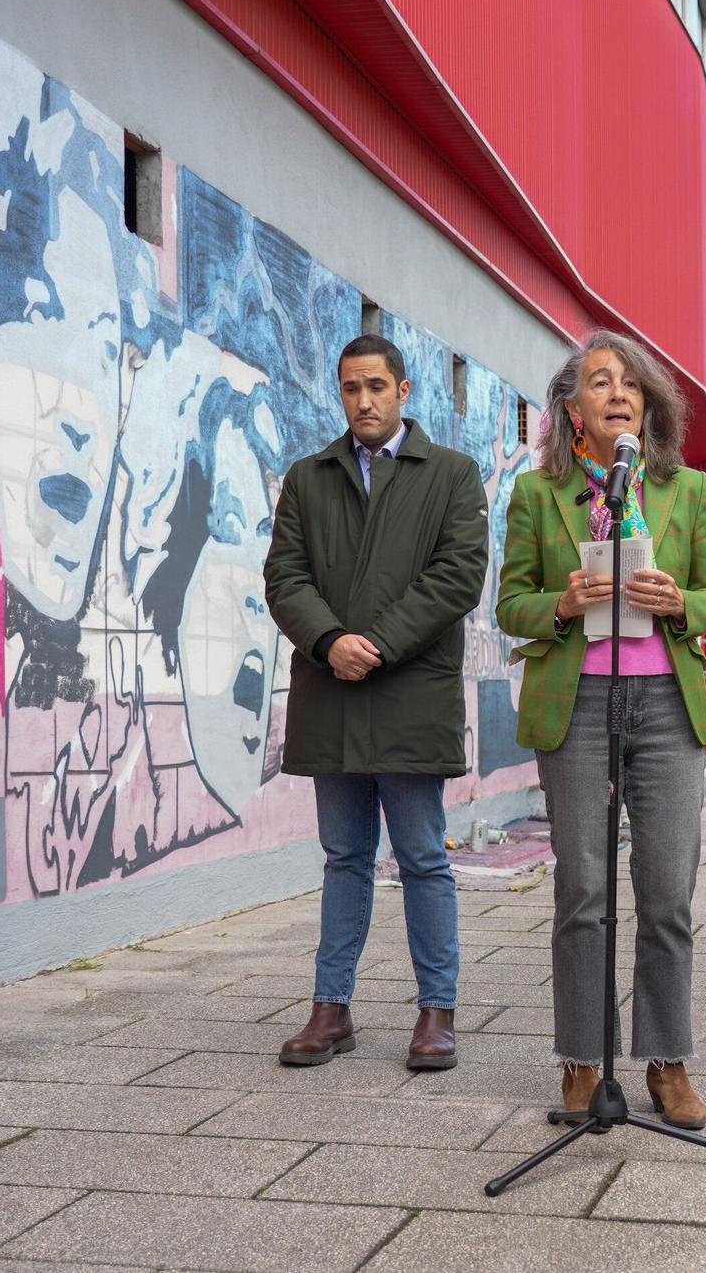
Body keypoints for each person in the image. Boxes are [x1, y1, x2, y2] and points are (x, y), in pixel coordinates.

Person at [497, 329, 706, 1129]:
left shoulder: (685, 488)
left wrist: (681, 602)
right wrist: (561, 604)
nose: (618, 392)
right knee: (583, 889)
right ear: (573, 409)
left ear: (648, 404)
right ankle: (582, 1061)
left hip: (665, 704)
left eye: (630, 382)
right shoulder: (536, 495)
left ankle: (667, 1062)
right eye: (599, 381)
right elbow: (510, 604)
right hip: (577, 706)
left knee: (667, 891)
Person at [264, 333, 489, 1073]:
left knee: (422, 857)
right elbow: (284, 576)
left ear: (403, 390)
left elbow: (458, 575)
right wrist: (330, 640)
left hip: (409, 694)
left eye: (376, 387)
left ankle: (437, 1011)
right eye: (351, 388)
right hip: (331, 692)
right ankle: (330, 1010)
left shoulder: (451, 474)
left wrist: (379, 643)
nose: (363, 401)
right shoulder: (309, 478)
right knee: (344, 857)